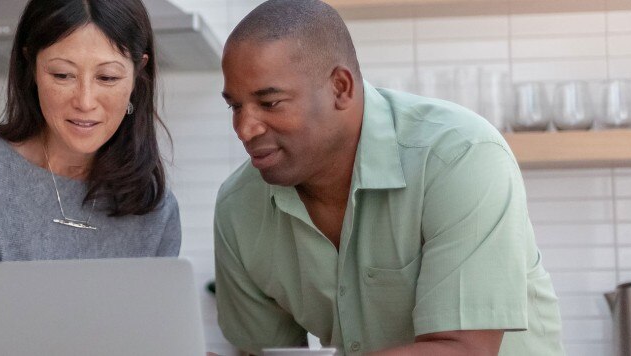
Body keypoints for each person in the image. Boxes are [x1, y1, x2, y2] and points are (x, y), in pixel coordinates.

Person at [212, 1, 564, 355]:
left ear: (340, 87)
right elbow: (262, 351)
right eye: (235, 106)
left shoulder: (459, 155)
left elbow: (464, 350)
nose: (244, 129)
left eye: (270, 103)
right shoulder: (238, 208)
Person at [0, 0, 181, 354]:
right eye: (62, 75)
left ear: (137, 75)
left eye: (107, 77)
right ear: (31, 68)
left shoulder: (155, 208)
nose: (85, 101)